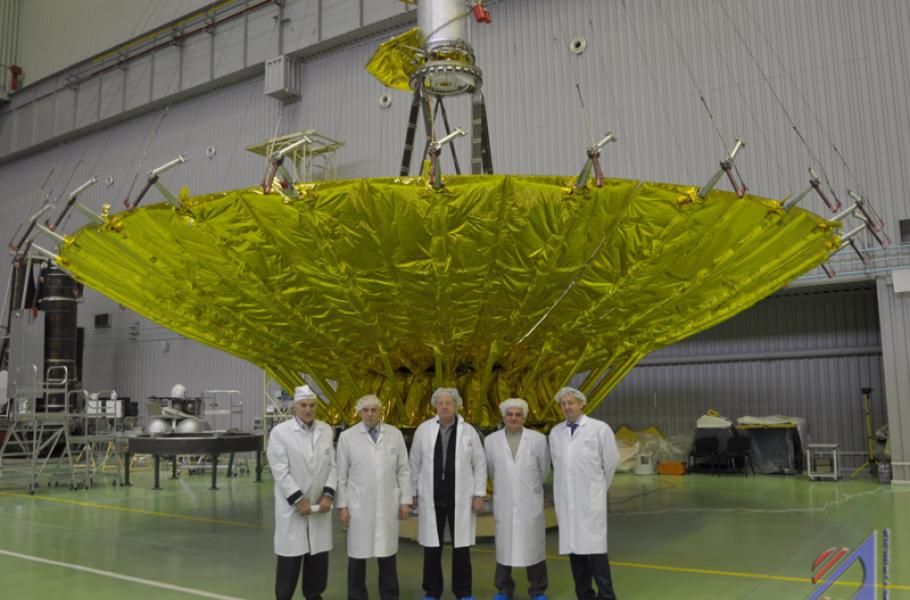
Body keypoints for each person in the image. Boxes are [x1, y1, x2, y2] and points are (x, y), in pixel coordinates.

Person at [409, 387, 487, 600]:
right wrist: (412, 492)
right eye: (440, 403)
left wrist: (479, 495)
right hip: (431, 498)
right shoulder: (424, 430)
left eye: (448, 403)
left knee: (461, 548)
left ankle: (463, 592)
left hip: (460, 498)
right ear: (435, 406)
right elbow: (414, 463)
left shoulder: (469, 431)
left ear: (456, 406)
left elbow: (480, 464)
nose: (444, 406)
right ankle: (432, 591)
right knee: (432, 548)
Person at [336, 394, 412, 600]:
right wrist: (342, 506)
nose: (369, 414)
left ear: (380, 411)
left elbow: (404, 470)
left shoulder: (394, 434)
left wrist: (405, 500)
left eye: (373, 410)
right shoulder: (347, 437)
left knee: (387, 555)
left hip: (387, 504)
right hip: (358, 505)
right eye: (365, 410)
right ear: (359, 412)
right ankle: (356, 596)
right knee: (357, 555)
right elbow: (341, 475)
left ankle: (389, 595)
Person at [549, 387, 620, 600]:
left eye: (571, 402)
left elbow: (611, 462)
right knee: (574, 548)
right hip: (567, 500)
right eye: (563, 404)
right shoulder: (556, 433)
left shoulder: (599, 429)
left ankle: (607, 595)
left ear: (581, 404)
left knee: (596, 548)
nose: (567, 407)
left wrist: (598, 488)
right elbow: (557, 465)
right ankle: (584, 594)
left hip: (590, 499)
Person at [267, 384, 337, 600]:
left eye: (312, 405)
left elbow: (333, 466)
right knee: (290, 561)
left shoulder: (326, 430)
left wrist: (328, 495)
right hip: (294, 509)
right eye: (304, 405)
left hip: (319, 507)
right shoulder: (281, 432)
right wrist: (299, 500)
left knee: (318, 561)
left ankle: (314, 596)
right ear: (295, 407)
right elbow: (280, 471)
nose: (308, 409)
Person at [484, 398, 550, 600]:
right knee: (505, 546)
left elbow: (544, 470)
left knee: (534, 546)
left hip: (530, 501)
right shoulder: (491, 441)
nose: (514, 418)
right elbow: (491, 470)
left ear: (524, 417)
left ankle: (538, 590)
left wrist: (526, 486)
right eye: (510, 414)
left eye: (518, 414)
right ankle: (504, 589)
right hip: (504, 501)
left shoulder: (538, 439)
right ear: (503, 417)